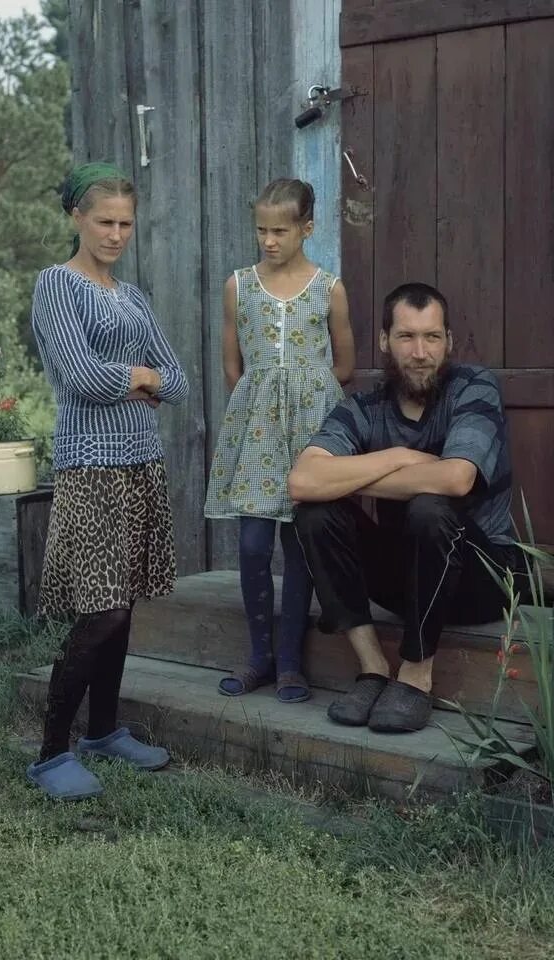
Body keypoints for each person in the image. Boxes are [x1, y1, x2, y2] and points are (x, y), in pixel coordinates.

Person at [288, 282, 521, 733]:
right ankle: (374, 668)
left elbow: (457, 478)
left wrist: (359, 474)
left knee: (430, 508)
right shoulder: (364, 408)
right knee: (314, 512)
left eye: (432, 337)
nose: (420, 352)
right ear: (383, 341)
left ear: (449, 341)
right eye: (406, 337)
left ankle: (416, 675)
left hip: (484, 581)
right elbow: (303, 481)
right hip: (406, 581)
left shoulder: (474, 388)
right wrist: (400, 457)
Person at [26, 162, 189, 799]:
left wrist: (146, 378)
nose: (116, 234)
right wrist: (139, 376)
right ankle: (48, 755)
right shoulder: (55, 286)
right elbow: (82, 378)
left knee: (122, 609)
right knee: (101, 610)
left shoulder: (136, 297)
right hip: (90, 465)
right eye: (104, 221)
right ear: (76, 218)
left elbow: (175, 380)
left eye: (126, 222)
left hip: (140, 461)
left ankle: (103, 732)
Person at [204, 178, 355, 703]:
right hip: (258, 433)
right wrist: (264, 398)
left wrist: (307, 393)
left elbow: (345, 363)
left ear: (306, 228)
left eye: (280, 231)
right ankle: (258, 658)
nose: (268, 241)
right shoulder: (239, 286)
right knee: (252, 545)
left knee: (299, 547)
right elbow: (232, 365)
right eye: (261, 231)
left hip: (311, 430)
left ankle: (290, 663)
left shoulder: (328, 287)